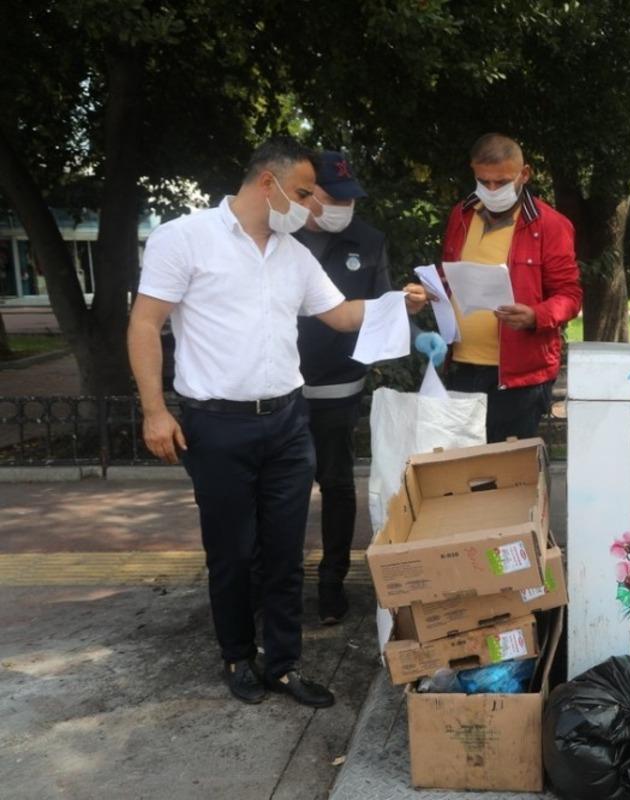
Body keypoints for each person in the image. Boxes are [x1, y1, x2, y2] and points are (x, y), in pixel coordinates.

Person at [127, 138, 427, 707]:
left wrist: (396, 304)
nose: (313, 205)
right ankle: (238, 655)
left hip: (288, 419)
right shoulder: (184, 238)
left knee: (287, 549)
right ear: (269, 182)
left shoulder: (293, 254)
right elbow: (145, 324)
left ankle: (285, 664)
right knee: (234, 551)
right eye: (306, 191)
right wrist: (154, 410)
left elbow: (339, 314)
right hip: (217, 424)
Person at [421, 133, 581, 443]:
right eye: (484, 181)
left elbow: (570, 296)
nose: (492, 190)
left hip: (519, 377)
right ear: (473, 171)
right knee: (461, 472)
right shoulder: (462, 215)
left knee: (509, 478)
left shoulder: (550, 225)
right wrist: (429, 288)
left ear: (525, 174)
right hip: (463, 365)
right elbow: (450, 274)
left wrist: (535, 315)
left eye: (503, 182)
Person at [293, 151, 391, 625]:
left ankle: (332, 581)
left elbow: (380, 309)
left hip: (338, 388)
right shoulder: (277, 236)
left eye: (349, 199)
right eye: (334, 198)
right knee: (282, 490)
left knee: (335, 484)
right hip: (280, 390)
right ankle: (278, 581)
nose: (342, 208)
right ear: (307, 193)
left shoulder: (368, 241)